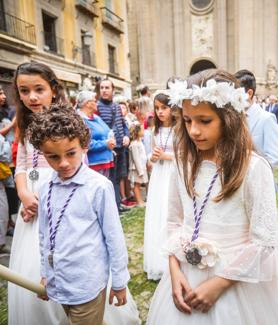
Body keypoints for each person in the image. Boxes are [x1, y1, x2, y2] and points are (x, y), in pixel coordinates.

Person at [147, 69, 278, 324]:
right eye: (187, 120)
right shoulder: (183, 164)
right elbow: (175, 222)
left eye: (204, 121)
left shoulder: (252, 168)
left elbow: (264, 241)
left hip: (236, 282)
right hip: (185, 274)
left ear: (228, 119)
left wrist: (219, 284)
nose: (194, 130)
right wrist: (174, 270)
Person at [28, 105, 130, 324]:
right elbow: (45, 235)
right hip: (61, 281)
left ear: (84, 146)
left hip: (87, 283)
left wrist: (120, 281)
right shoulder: (46, 188)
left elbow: (114, 237)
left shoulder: (99, 187)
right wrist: (47, 273)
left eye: (71, 153)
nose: (63, 163)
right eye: (53, 156)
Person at [8, 61, 68, 325]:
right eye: (24, 91)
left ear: (53, 90)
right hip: (30, 200)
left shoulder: (67, 121)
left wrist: (45, 200)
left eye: (39, 89)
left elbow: (76, 166)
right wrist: (23, 193)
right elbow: (21, 163)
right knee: (30, 265)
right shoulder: (24, 122)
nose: (31, 97)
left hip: (59, 196)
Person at [144, 90, 175, 280]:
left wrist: (166, 156)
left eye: (164, 107)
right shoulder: (154, 130)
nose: (160, 112)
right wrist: (153, 157)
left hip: (173, 173)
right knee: (158, 213)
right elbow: (151, 155)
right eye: (157, 108)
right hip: (159, 175)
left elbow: (186, 156)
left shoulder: (180, 129)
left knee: (169, 212)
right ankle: (158, 261)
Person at [97, 79, 130, 213]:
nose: (104, 90)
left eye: (107, 88)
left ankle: (117, 205)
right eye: (102, 88)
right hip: (109, 149)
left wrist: (127, 135)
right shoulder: (97, 107)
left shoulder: (116, 106)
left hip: (121, 147)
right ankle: (111, 208)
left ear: (112, 90)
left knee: (118, 177)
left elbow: (123, 124)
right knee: (109, 180)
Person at [234, 69, 278, 167]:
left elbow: (273, 158)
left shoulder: (267, 119)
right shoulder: (233, 118)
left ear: (249, 94)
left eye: (236, 94)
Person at [76, 90, 115, 178]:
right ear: (87, 103)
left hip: (105, 161)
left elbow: (108, 132)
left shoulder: (96, 117)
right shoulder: (80, 120)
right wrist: (105, 144)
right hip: (93, 164)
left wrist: (111, 140)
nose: (97, 103)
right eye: (94, 101)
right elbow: (84, 143)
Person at [128, 122, 148, 207]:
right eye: (142, 130)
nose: (144, 131)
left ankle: (140, 200)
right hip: (136, 168)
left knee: (139, 184)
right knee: (136, 184)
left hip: (142, 167)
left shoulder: (139, 142)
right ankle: (139, 201)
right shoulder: (134, 144)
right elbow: (136, 159)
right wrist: (140, 171)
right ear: (137, 132)